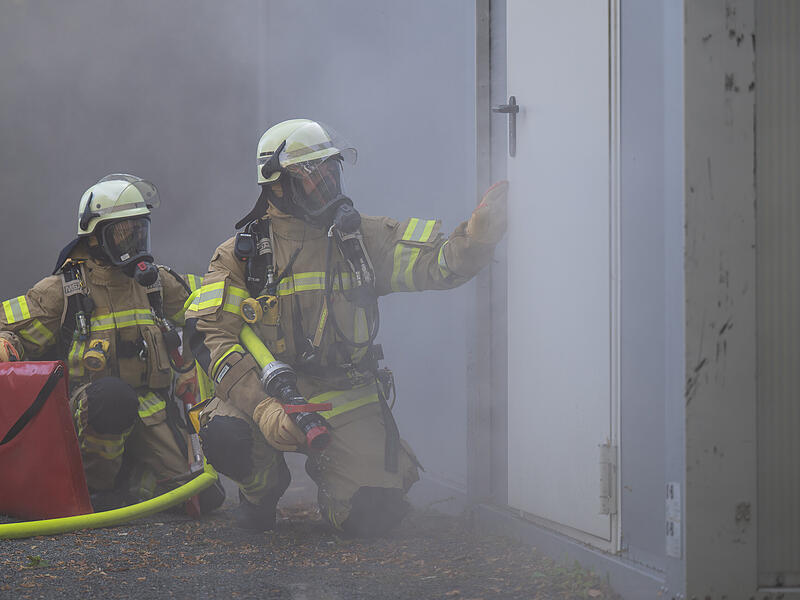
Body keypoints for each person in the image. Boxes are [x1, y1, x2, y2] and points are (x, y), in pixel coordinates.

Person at [187, 119, 507, 536]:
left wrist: (476, 240)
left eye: (330, 174)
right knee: (228, 436)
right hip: (267, 394)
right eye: (311, 179)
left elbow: (438, 265)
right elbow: (211, 334)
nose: (327, 190)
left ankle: (340, 490)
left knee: (375, 514)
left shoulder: (361, 239)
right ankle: (261, 488)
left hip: (343, 393)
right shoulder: (240, 256)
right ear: (277, 186)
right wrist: (264, 408)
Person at [0, 174, 225, 513]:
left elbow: (210, 305)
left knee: (202, 500)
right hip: (88, 412)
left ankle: (133, 484)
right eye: (123, 233)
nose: (134, 242)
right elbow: (9, 329)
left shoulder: (156, 285)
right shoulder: (62, 290)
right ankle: (96, 490)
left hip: (151, 413)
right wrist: (7, 346)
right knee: (113, 398)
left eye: (139, 231)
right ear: (94, 239)